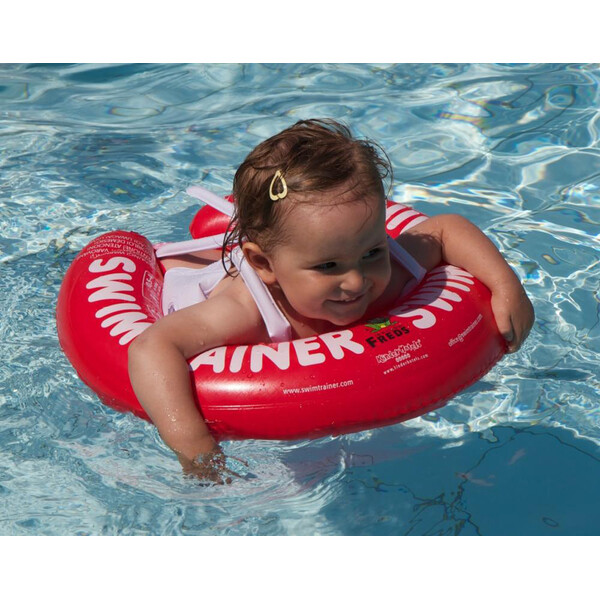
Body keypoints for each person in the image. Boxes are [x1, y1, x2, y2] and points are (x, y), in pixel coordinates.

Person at [128, 119, 534, 483]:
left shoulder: (388, 270)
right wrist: (193, 444)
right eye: (328, 266)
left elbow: (445, 230)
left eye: (372, 252)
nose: (356, 281)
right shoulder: (245, 310)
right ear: (264, 264)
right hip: (198, 290)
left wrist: (506, 286)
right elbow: (153, 346)